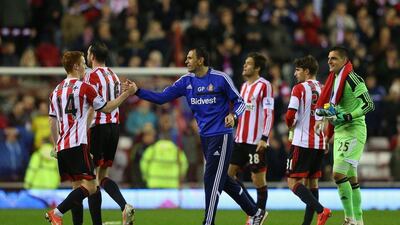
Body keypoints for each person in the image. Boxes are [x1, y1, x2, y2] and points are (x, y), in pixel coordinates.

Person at [128, 47, 267, 225]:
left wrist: (234, 116)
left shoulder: (220, 78)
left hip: (221, 135)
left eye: (190, 58)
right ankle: (255, 212)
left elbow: (240, 102)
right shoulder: (186, 81)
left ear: (200, 60)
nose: (186, 61)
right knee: (222, 179)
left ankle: (208, 222)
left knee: (210, 178)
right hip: (205, 137)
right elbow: (162, 98)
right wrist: (137, 91)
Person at [45, 51, 136, 225]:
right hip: (78, 144)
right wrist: (126, 94)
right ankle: (56, 212)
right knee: (91, 187)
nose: (86, 68)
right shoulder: (85, 88)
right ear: (76, 66)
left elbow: (51, 121)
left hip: (63, 146)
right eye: (83, 64)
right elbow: (108, 108)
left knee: (77, 187)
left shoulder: (55, 91)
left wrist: (56, 144)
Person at [315, 46, 374, 225]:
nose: (329, 61)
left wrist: (349, 115)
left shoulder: (353, 78)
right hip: (340, 130)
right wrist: (325, 119)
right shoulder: (333, 80)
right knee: (351, 179)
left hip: (354, 129)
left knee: (338, 174)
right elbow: (333, 107)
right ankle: (359, 220)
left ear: (343, 60)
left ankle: (349, 219)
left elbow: (368, 104)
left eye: (333, 58)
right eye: (328, 58)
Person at [82, 42, 135, 225]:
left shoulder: (91, 76)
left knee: (90, 179)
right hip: (114, 127)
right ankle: (124, 206)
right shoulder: (113, 75)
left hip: (98, 128)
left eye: (88, 53)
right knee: (102, 175)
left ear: (92, 56)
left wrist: (83, 131)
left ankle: (97, 223)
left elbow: (91, 108)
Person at [227, 52, 274, 225]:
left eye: (248, 64)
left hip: (256, 142)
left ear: (257, 68)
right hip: (240, 139)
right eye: (245, 63)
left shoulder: (265, 85)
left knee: (257, 179)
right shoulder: (244, 86)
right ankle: (254, 211)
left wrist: (264, 137)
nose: (244, 66)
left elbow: (269, 113)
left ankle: (259, 214)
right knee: (228, 176)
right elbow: (242, 110)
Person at [285, 55, 331, 225]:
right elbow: (329, 115)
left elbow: (290, 114)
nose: (295, 73)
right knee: (312, 183)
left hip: (302, 142)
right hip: (319, 143)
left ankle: (321, 210)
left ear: (306, 71)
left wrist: (290, 125)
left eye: (298, 70)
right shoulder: (325, 88)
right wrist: (326, 138)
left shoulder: (299, 89)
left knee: (292, 182)